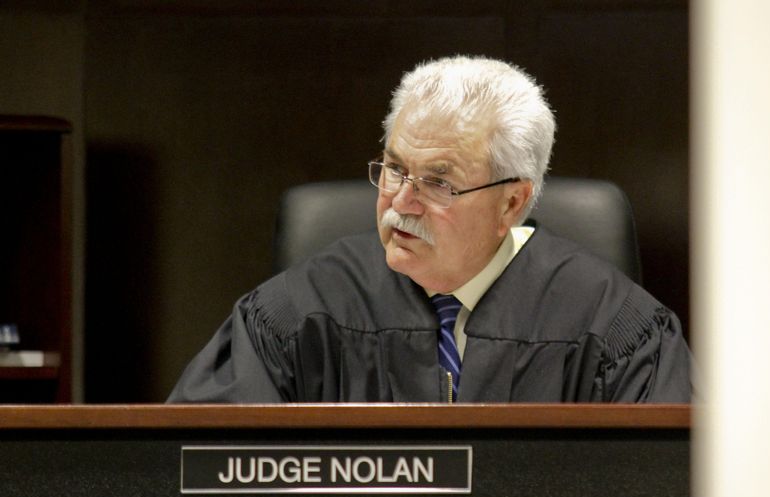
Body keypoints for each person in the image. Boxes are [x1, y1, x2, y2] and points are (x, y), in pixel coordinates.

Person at [168, 55, 692, 404]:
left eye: (439, 183)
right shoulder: (297, 311)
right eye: (394, 168)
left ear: (512, 201)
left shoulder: (615, 327)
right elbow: (206, 477)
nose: (400, 201)